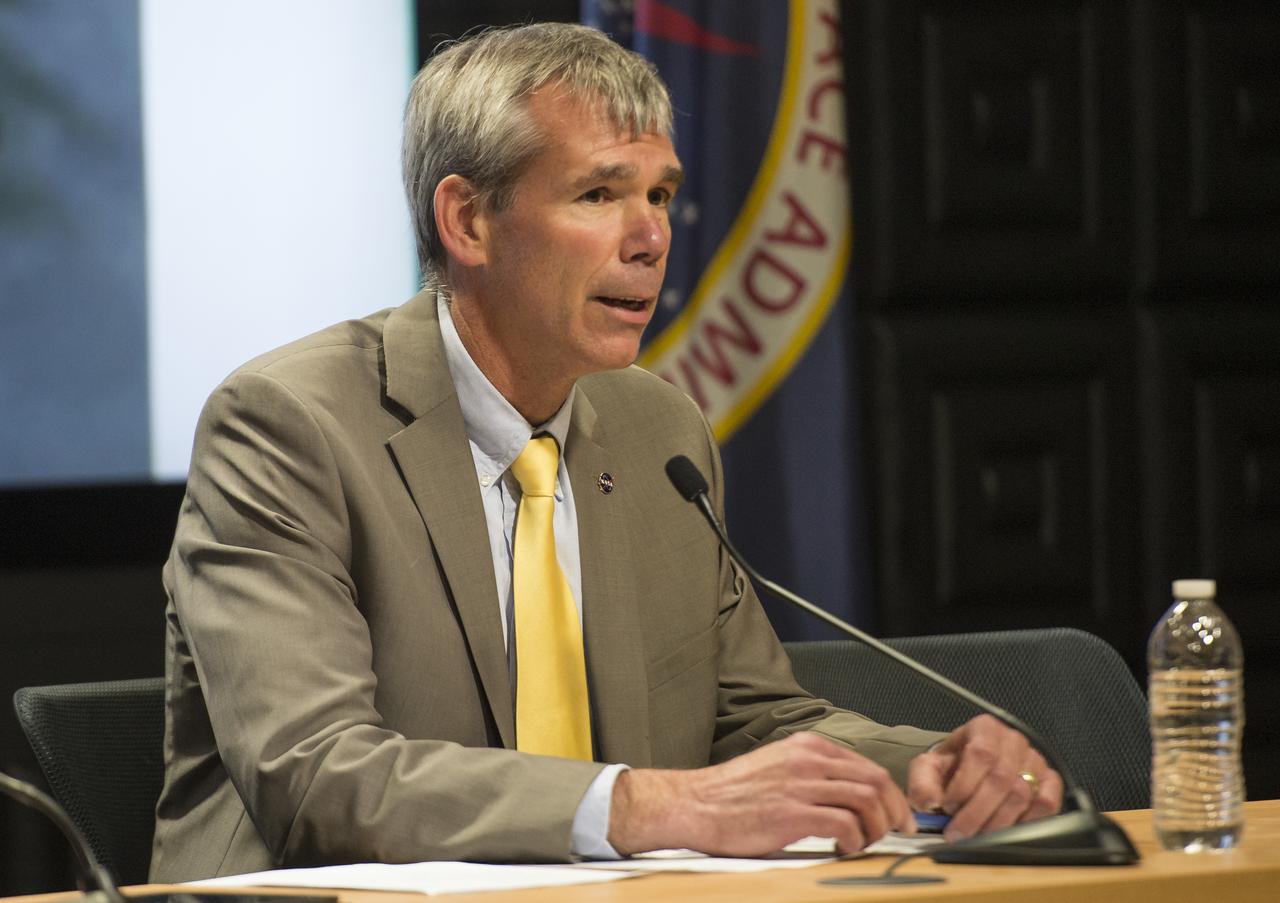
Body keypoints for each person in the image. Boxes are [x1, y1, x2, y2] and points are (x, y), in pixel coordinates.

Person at [150, 23, 1061, 881]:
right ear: (467, 221)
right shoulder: (287, 425)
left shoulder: (657, 429)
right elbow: (318, 773)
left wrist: (926, 767)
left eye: (660, 194)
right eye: (600, 194)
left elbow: (749, 719)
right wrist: (652, 803)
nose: (654, 237)